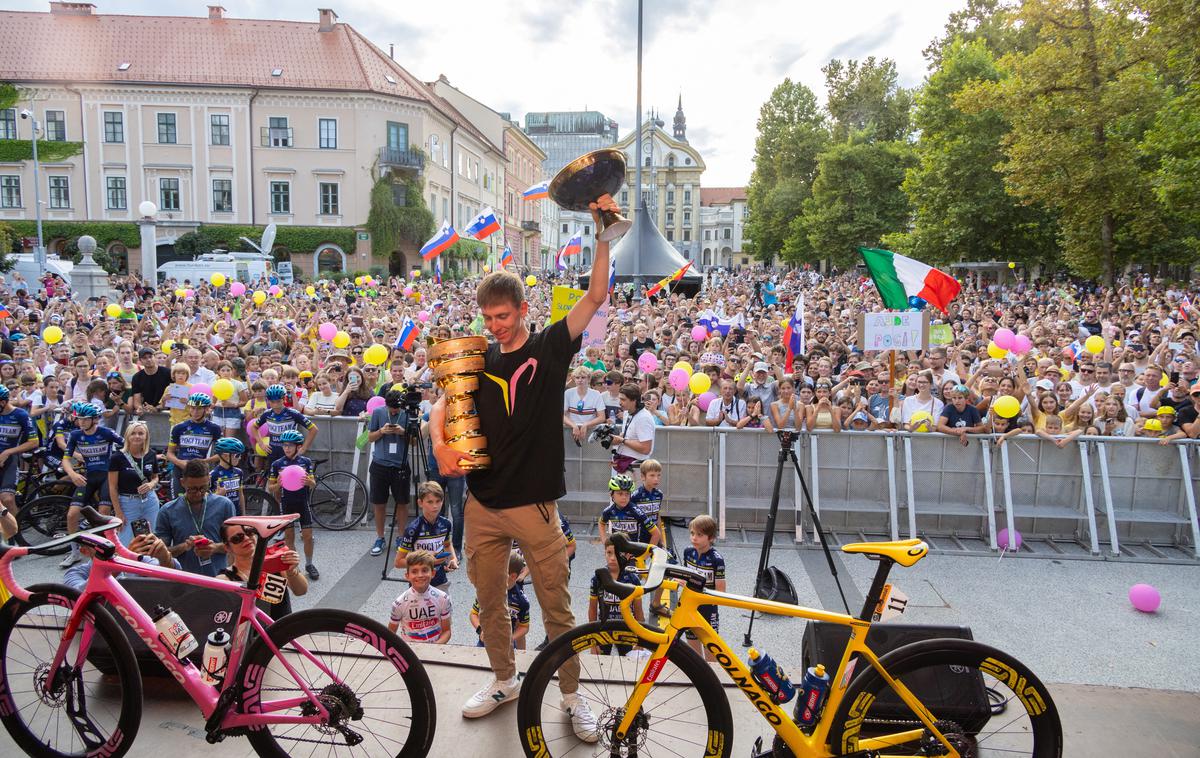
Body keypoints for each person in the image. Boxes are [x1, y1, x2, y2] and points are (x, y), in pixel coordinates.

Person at [430, 197, 616, 734]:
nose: (496, 328)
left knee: (556, 607)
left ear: (523, 312)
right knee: (490, 604)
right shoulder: (477, 357)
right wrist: (441, 440)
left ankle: (571, 696)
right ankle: (503, 679)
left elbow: (596, 295)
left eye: (503, 317)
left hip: (535, 506)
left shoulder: (551, 348)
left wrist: (603, 235)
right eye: (488, 319)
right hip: (483, 506)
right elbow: (442, 402)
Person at [60, 403, 124, 568]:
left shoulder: (106, 433)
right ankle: (74, 552)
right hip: (89, 476)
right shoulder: (75, 435)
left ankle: (104, 551)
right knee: (72, 514)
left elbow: (126, 446)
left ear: (95, 419)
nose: (81, 422)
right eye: (79, 418)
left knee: (102, 513)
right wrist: (73, 474)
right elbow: (65, 459)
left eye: (85, 419)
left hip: (107, 476)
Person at [154, 460, 237, 577]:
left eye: (203, 488)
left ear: (209, 479)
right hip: (184, 579)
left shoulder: (224, 505)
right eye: (192, 489)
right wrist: (184, 546)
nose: (198, 493)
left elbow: (237, 544)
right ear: (182, 483)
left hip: (218, 579)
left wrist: (214, 548)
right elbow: (160, 552)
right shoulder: (168, 511)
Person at [216, 521, 307, 620]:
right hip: (251, 634)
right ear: (227, 547)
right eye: (237, 538)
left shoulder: (275, 560)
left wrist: (292, 571)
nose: (246, 538)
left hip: (283, 630)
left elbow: (301, 591)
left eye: (250, 532)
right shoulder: (224, 579)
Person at [267, 429, 319, 580]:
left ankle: (309, 564)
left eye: (290, 445)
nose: (287, 448)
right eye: (284, 445)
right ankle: (294, 567)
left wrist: (310, 482)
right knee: (289, 537)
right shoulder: (277, 464)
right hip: (286, 503)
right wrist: (277, 485)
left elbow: (313, 483)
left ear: (298, 446)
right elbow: (270, 487)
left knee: (308, 536)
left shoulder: (306, 462)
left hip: (302, 502)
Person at [367, 388, 411, 556]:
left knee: (402, 502)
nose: (394, 411)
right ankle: (380, 537)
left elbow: (414, 442)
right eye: (392, 408)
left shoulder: (407, 414)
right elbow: (370, 437)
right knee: (379, 503)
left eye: (397, 408)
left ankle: (401, 536)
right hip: (380, 464)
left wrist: (403, 432)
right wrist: (381, 432)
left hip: (400, 464)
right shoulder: (378, 412)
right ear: (386, 405)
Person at [64, 529, 177, 592]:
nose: (111, 548)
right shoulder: (75, 574)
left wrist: (164, 557)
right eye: (103, 546)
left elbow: (175, 578)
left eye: (113, 541)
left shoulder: (138, 560)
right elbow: (77, 595)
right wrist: (116, 566)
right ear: (85, 551)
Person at [394, 481, 458, 591]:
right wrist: (427, 560)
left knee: (444, 608)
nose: (435, 506)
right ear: (420, 503)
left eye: (438, 501)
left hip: (441, 581)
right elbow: (398, 562)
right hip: (419, 584)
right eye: (430, 502)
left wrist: (453, 559)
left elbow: (447, 544)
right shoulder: (413, 529)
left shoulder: (446, 524)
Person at [107, 420, 162, 546]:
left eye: (140, 433)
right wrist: (118, 512)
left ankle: (148, 563)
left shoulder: (151, 454)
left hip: (150, 501)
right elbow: (112, 487)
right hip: (127, 503)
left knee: (151, 537)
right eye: (133, 433)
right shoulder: (117, 457)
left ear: (146, 436)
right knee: (125, 540)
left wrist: (151, 484)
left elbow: (155, 477)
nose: (137, 436)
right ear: (127, 436)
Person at [588, 538, 644, 654]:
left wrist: (640, 641)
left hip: (626, 630)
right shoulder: (597, 578)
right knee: (601, 663)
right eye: (609, 553)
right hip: (604, 629)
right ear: (604, 553)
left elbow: (639, 612)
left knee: (628, 663)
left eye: (618, 553)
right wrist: (592, 641)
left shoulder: (633, 579)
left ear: (627, 555)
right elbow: (592, 609)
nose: (613, 558)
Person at [683, 515, 725, 662]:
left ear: (711, 538)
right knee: (693, 652)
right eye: (692, 533)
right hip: (690, 606)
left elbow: (721, 592)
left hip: (708, 609)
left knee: (710, 652)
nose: (694, 538)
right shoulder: (688, 552)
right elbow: (685, 577)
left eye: (699, 535)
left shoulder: (717, 559)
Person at [468, 550, 530, 651]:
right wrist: (480, 630)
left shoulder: (521, 600)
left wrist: (511, 638)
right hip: (484, 642)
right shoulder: (486, 590)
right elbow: (473, 614)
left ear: (513, 576)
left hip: (507, 646)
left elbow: (524, 626)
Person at [388, 549, 453, 644]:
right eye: (414, 571)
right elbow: (390, 635)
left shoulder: (443, 598)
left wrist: (433, 648)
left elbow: (447, 631)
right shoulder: (399, 603)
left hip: (435, 649)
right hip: (410, 653)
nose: (420, 575)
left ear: (433, 573)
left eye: (425, 570)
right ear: (407, 576)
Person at [0, 385, 40, 531]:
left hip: (10, 459)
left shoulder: (20, 415)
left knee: (7, 499)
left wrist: (8, 452)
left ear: (3, 402)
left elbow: (34, 441)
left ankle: (17, 534)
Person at [166, 393, 222, 496]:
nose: (195, 412)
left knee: (200, 502)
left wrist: (205, 461)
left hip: (200, 470)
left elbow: (222, 454)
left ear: (206, 409)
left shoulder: (214, 428)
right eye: (192, 408)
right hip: (181, 469)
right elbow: (169, 453)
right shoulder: (179, 427)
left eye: (199, 409)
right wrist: (180, 463)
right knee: (178, 502)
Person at [252, 384, 318, 466]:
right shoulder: (267, 414)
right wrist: (261, 443)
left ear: (284, 399)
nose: (275, 404)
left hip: (290, 452)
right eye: (272, 402)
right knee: (272, 478)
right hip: (273, 451)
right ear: (268, 400)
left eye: (278, 401)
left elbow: (313, 429)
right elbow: (254, 427)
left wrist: (304, 448)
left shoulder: (293, 413)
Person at [598, 473, 662, 549]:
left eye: (627, 494)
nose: (624, 497)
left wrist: (646, 554)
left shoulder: (636, 511)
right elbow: (601, 523)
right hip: (617, 550)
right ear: (611, 495)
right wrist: (605, 542)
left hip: (634, 552)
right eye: (620, 493)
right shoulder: (608, 511)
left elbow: (656, 534)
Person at [610, 384, 656, 475]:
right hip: (623, 463)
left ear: (634, 400)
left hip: (636, 466)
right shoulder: (627, 412)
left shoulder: (643, 418)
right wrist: (615, 440)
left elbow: (646, 448)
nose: (620, 402)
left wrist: (622, 440)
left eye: (623, 400)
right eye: (619, 399)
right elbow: (627, 436)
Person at [563, 366, 605, 445]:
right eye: (577, 377)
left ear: (589, 379)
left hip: (590, 433)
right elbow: (562, 415)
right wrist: (573, 425)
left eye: (583, 377)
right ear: (574, 379)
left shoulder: (596, 394)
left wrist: (586, 425)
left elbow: (602, 417)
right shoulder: (568, 393)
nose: (580, 380)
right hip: (570, 432)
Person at [209, 437, 247, 516]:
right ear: (225, 456)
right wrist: (217, 494)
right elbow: (205, 500)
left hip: (236, 513)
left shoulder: (239, 472)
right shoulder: (213, 475)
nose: (239, 458)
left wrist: (244, 514)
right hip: (220, 515)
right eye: (237, 455)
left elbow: (241, 494)